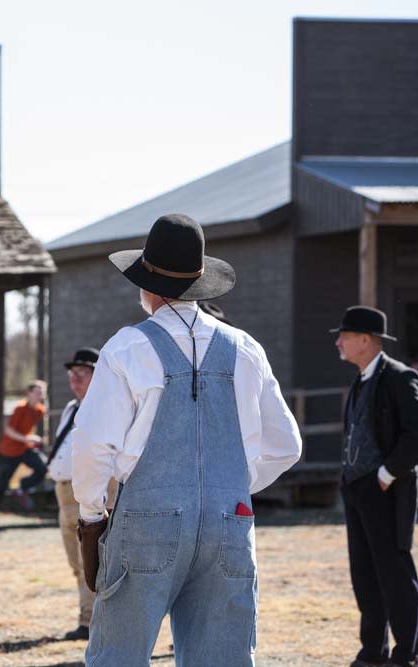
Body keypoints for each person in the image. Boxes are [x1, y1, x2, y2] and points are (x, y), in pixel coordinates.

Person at [73, 214, 302, 666]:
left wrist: (90, 514)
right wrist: (230, 483)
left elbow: (93, 445)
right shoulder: (245, 348)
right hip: (229, 518)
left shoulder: (127, 347)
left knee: (116, 656)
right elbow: (287, 445)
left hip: (145, 519)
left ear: (147, 286)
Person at [331, 306, 418, 667]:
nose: (338, 342)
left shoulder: (399, 377)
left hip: (387, 490)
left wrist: (386, 475)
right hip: (358, 489)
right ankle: (373, 652)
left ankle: (406, 655)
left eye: (344, 335)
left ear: (365, 340)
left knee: (394, 574)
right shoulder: (361, 379)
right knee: (365, 575)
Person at [49, 348, 118, 641]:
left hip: (88, 491)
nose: (75, 379)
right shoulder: (70, 408)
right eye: (72, 374)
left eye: (82, 373)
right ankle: (86, 617)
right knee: (76, 563)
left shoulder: (105, 408)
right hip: (63, 491)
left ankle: (90, 622)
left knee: (91, 560)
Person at [0, 380, 48, 530]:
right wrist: (27, 438)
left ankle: (21, 488)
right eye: (37, 392)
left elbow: (27, 428)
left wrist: (31, 440)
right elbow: (9, 431)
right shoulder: (20, 408)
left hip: (25, 448)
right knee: (1, 485)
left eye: (42, 392)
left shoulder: (40, 410)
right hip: (9, 451)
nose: (40, 395)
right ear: (29, 393)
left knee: (42, 468)